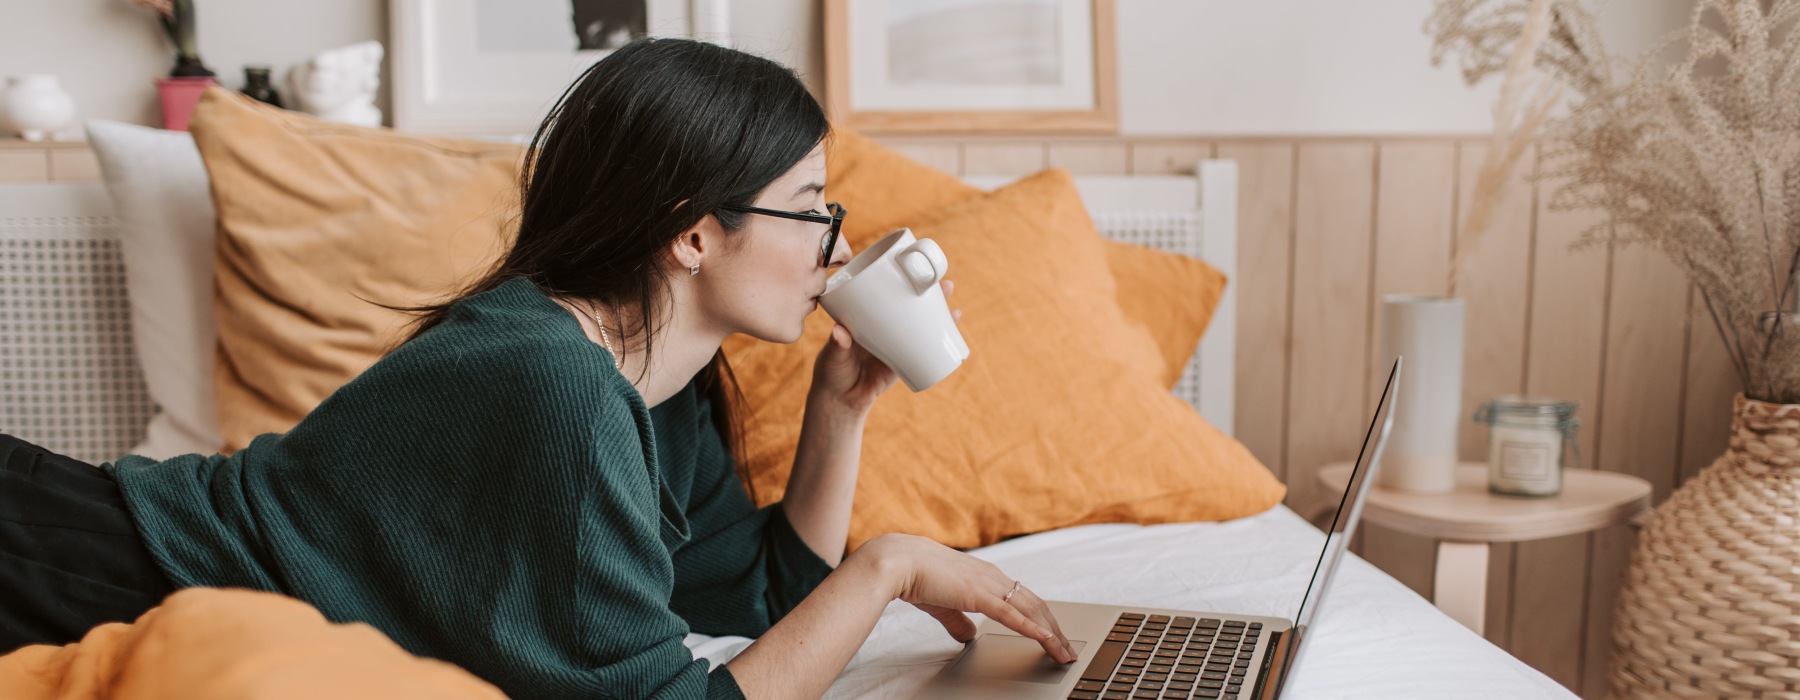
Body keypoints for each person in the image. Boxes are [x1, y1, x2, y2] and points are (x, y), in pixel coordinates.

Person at [0, 38, 1075, 699]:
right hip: (91, 574)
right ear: (691, 234)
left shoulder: (661, 380)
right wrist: (886, 566)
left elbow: (753, 601)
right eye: (810, 208)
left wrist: (841, 411)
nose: (835, 245)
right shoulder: (553, 385)